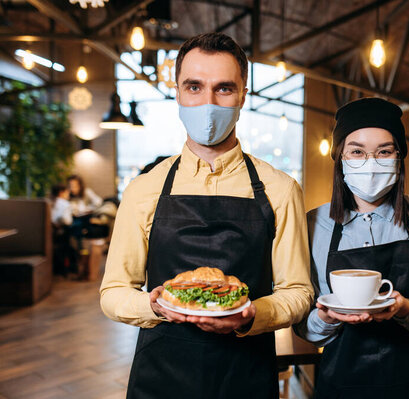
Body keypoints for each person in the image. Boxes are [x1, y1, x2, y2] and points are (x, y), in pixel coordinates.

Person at [99, 32, 313, 398]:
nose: (208, 103)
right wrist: (155, 304)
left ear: (243, 94)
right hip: (160, 375)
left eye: (224, 88)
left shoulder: (280, 189)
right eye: (194, 87)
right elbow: (113, 292)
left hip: (246, 374)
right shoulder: (144, 189)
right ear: (178, 93)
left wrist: (251, 315)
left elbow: (298, 292)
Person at [294, 97, 409, 398]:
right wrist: (327, 317)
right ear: (340, 158)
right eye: (357, 151)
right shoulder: (313, 225)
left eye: (384, 152)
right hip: (342, 386)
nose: (370, 163)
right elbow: (305, 329)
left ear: (399, 158)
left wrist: (405, 309)